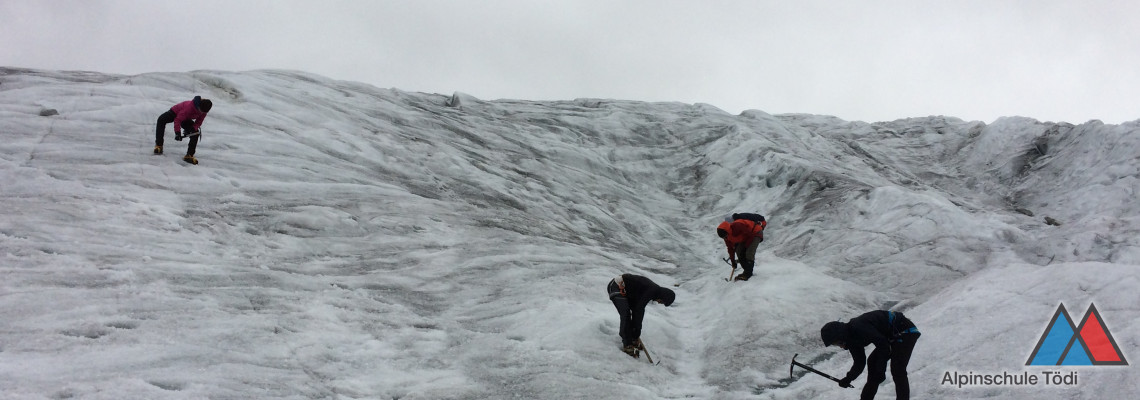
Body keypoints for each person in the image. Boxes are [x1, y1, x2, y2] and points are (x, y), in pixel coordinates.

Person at [821, 310, 921, 400]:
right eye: (835, 345)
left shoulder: (858, 326)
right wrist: (848, 378)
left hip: (905, 331)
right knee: (872, 363)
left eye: (837, 342)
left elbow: (883, 345)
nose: (840, 346)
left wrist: (880, 371)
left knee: (897, 369)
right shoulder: (851, 340)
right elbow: (859, 362)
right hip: (890, 337)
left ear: (840, 335)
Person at [606, 274, 675, 358]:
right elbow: (638, 310)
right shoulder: (652, 290)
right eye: (662, 301)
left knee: (631, 313)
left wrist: (636, 333)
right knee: (626, 314)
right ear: (663, 296)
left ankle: (631, 339)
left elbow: (638, 309)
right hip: (616, 286)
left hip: (627, 292)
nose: (659, 302)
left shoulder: (653, 291)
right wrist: (636, 332)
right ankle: (627, 344)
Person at [154, 96, 212, 165]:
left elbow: (198, 122)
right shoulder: (189, 107)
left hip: (186, 118)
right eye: (200, 110)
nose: (201, 112)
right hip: (175, 112)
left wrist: (193, 128)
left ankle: (189, 155)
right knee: (161, 120)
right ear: (199, 105)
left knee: (195, 133)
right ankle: (159, 145)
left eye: (203, 112)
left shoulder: (203, 112)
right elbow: (178, 120)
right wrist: (177, 132)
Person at [716, 213, 766, 281]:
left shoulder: (737, 226)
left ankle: (748, 274)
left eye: (726, 236)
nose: (726, 238)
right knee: (739, 251)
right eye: (724, 237)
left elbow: (750, 235)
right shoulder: (726, 237)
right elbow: (730, 248)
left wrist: (745, 247)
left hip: (755, 232)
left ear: (728, 230)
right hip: (746, 237)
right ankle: (746, 272)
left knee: (749, 253)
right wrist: (733, 261)